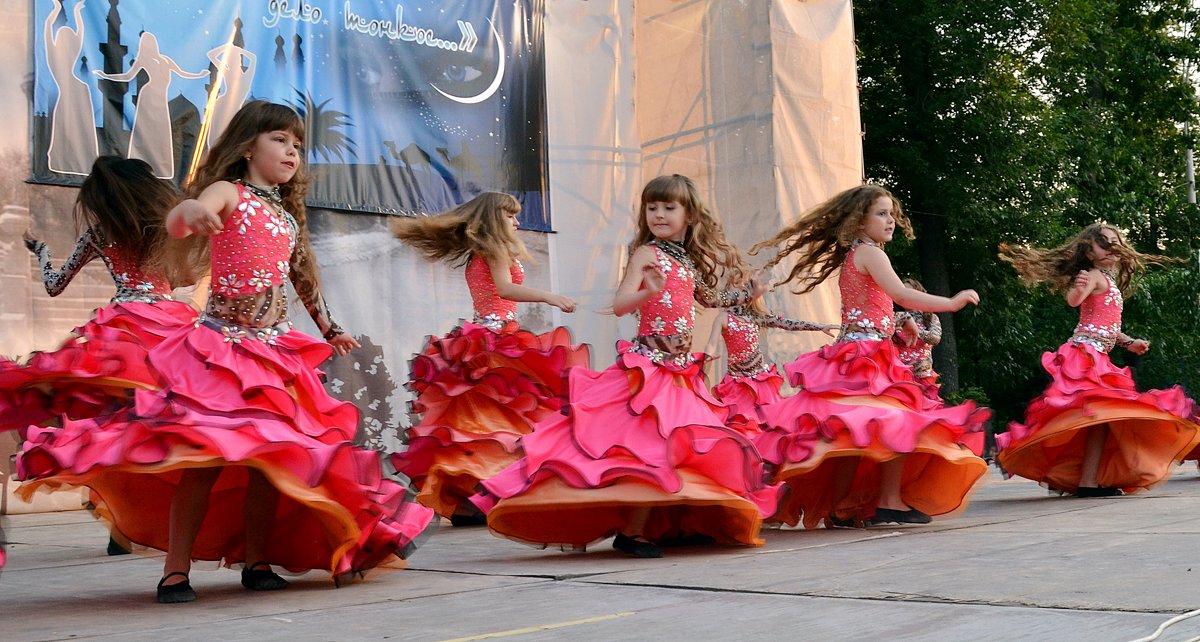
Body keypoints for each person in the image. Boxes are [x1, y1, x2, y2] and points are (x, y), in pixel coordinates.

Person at [16, 101, 435, 604]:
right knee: (204, 460)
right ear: (247, 147)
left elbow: (300, 276)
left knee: (270, 464)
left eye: (297, 145)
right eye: (280, 139)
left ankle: (258, 561)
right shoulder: (227, 192)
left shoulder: (284, 214)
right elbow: (181, 219)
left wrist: (330, 327)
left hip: (274, 352)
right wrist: (187, 213)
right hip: (220, 350)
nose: (291, 151)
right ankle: (176, 570)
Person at [472, 174, 783, 558]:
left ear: (689, 216)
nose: (659, 214)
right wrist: (647, 291)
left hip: (680, 371)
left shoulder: (682, 258)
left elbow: (711, 298)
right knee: (650, 449)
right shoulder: (646, 254)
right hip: (649, 369)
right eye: (652, 207)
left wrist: (749, 293)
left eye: (669, 207)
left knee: (683, 448)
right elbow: (620, 304)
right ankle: (634, 531)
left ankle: (673, 522)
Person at [750, 184, 989, 529]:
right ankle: (887, 502)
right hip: (866, 356)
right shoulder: (871, 254)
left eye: (892, 213)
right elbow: (901, 293)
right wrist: (951, 303)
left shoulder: (858, 254)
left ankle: (842, 504)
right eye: (882, 213)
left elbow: (879, 305)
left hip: (862, 352)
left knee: (854, 432)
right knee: (897, 422)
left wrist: (897, 324)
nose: (891, 220)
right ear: (859, 221)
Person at [389, 192, 589, 525]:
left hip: (488, 335)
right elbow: (506, 289)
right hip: (493, 339)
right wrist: (550, 296)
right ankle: (489, 492)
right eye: (510, 216)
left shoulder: (482, 250)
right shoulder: (495, 248)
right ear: (495, 219)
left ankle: (473, 497)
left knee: (480, 421)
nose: (516, 221)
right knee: (498, 419)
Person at [996, 224, 1199, 497]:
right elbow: (1073, 301)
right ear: (1089, 253)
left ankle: (1085, 480)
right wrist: (1079, 290)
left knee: (1099, 421)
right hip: (1084, 357)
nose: (1111, 249)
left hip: (1097, 355)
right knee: (1088, 417)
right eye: (1103, 244)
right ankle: (1069, 473)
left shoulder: (1108, 279)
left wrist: (1129, 342)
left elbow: (1106, 328)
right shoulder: (1091, 275)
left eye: (1114, 243)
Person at [0, 156, 198, 433]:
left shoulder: (98, 235)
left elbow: (54, 285)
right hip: (170, 321)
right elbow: (185, 277)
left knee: (116, 407)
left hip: (123, 325)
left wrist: (42, 252)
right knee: (173, 400)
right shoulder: (169, 226)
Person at [706, 291, 837, 435]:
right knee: (742, 425)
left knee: (771, 424)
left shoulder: (757, 318)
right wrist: (706, 359)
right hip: (737, 385)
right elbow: (711, 344)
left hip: (762, 382)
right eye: (734, 289)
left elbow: (788, 324)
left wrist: (819, 327)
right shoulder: (723, 318)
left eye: (746, 289)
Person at [892, 278, 943, 401]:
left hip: (923, 375)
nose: (906, 296)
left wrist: (915, 330)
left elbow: (935, 338)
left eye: (910, 291)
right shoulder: (897, 316)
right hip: (900, 376)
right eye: (903, 291)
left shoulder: (931, 318)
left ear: (919, 293)